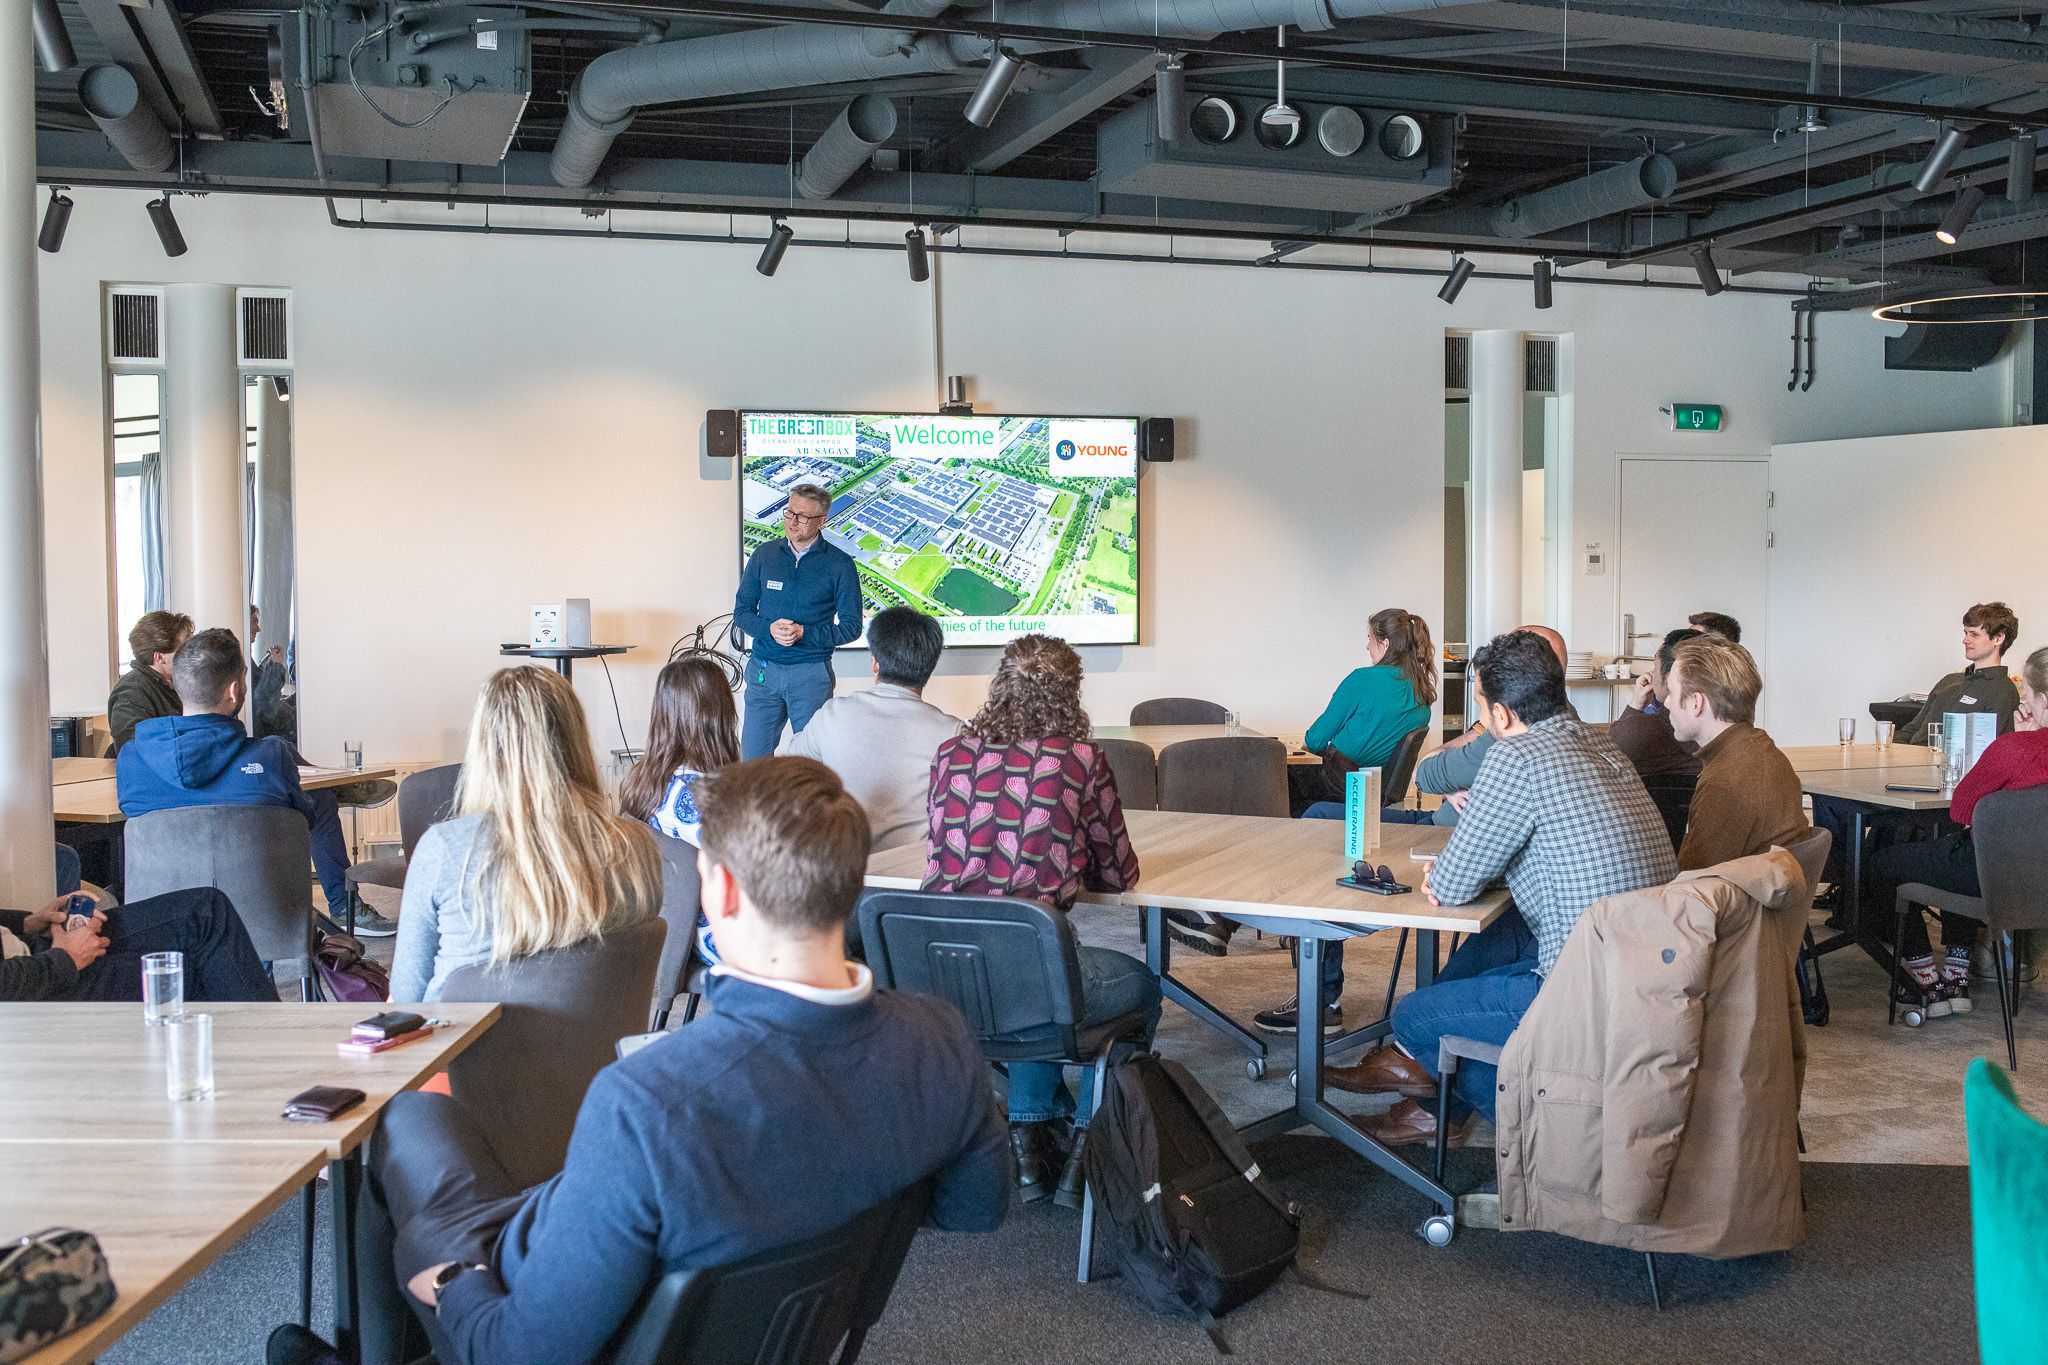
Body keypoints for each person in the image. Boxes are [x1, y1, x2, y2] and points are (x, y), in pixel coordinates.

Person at [304, 756, 1008, 1365]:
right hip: (634, 1266)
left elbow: (517, 1352)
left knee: (404, 1119)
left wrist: (455, 1285)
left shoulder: (649, 1103)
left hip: (527, 1297)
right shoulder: (940, 1040)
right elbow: (975, 1208)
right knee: (424, 1119)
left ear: (721, 891)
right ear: (849, 884)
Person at [1323, 630, 1676, 1147]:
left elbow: (1451, 884)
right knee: (1498, 938)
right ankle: (1427, 1102)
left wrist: (1450, 870)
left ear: (1503, 715)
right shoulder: (1597, 742)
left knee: (1413, 1016)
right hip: (1643, 964)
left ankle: (1548, 1137)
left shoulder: (1517, 757)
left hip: (1584, 988)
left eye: (1483, 708)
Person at [922, 634, 1156, 1204]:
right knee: (1136, 985)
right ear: (1071, 692)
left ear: (999, 685)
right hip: (1030, 969)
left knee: (1032, 977)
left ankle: (1028, 1138)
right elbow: (1118, 874)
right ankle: (1087, 1143)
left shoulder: (950, 753)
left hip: (940, 970)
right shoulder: (1079, 760)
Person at [390, 667, 662, 1003]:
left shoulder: (445, 849)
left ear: (484, 747)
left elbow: (406, 994)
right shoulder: (638, 847)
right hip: (598, 1039)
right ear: (577, 739)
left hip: (461, 1037)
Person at [116, 629, 363, 930]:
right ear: (234, 691)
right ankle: (344, 903)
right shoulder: (270, 756)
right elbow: (302, 823)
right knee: (320, 802)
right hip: (264, 923)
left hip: (164, 925)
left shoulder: (131, 760)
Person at [1869, 645, 2048, 1020]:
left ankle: (1929, 979)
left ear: (2042, 701)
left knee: (1881, 865)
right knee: (1958, 856)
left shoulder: (2013, 750)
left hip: (1995, 878)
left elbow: (1961, 810)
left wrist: (2025, 737)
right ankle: (1956, 973)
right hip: (2038, 884)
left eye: (2028, 694)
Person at [783, 606, 961, 850]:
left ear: (875, 664)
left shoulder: (832, 714)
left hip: (842, 864)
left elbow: (790, 769)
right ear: (929, 669)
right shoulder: (953, 733)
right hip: (915, 870)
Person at [618, 655, 741, 969]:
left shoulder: (646, 781)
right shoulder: (701, 798)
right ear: (721, 716)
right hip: (726, 942)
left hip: (674, 935)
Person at [1388, 624, 1571, 830]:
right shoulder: (1568, 727)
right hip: (1440, 819)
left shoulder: (1510, 740)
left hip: (1442, 830)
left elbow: (1423, 774)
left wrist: (1450, 783)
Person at [733, 483, 864, 759]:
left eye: (803, 516)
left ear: (822, 521)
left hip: (811, 674)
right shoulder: (764, 555)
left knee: (811, 764)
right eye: (790, 512)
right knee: (752, 762)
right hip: (763, 671)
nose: (792, 522)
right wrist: (768, 629)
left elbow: (851, 627)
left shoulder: (840, 565)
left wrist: (805, 633)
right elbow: (742, 612)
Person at [1664, 634, 1810, 870]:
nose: (1667, 703)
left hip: (1739, 894)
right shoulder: (1763, 750)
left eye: (1671, 692)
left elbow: (1691, 882)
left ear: (1696, 703)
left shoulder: (1724, 784)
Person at [1, 881, 275, 1003]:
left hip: (30, 954)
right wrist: (66, 958)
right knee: (191, 963)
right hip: (33, 985)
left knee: (206, 912)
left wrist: (27, 922)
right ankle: (273, 1062)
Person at [1899, 601, 2020, 745]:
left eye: (1974, 635)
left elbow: (1994, 750)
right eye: (1966, 633)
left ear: (1998, 638)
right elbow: (1912, 729)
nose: (1965, 640)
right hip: (1913, 755)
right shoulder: (1949, 681)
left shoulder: (2003, 692)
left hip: (1945, 758)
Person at [1608, 627, 1704, 781]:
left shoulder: (1646, 729)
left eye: (1655, 667)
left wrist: (1634, 705)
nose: (1651, 674)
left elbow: (1609, 754)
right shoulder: (1722, 726)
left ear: (1671, 676)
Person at [106, 610, 192, 756]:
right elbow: (133, 747)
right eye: (184, 649)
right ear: (160, 658)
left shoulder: (181, 681)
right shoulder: (131, 690)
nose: (191, 654)